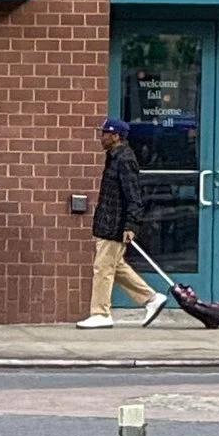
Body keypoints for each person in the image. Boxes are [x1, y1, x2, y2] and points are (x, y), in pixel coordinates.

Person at [79, 123, 161, 330]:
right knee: (117, 267)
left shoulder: (125, 160)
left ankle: (100, 313)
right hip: (108, 222)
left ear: (116, 136)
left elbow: (134, 196)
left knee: (103, 268)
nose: (101, 137)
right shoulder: (115, 157)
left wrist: (131, 224)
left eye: (105, 134)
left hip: (114, 225)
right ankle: (151, 299)